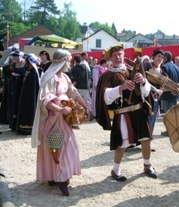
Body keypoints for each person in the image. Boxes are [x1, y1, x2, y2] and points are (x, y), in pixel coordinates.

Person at [95, 43, 158, 181]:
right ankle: (115, 170)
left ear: (124, 55)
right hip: (122, 113)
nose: (118, 57)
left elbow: (145, 92)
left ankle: (148, 166)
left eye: (120, 54)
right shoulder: (107, 76)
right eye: (115, 55)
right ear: (110, 58)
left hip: (138, 111)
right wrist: (121, 88)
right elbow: (106, 97)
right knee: (122, 143)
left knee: (146, 140)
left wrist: (143, 82)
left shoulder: (132, 71)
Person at [31, 49, 89, 196]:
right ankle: (58, 178)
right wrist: (59, 109)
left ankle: (57, 176)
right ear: (61, 61)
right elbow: (45, 99)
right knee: (58, 146)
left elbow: (74, 92)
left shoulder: (64, 77)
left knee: (65, 145)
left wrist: (86, 106)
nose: (69, 63)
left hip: (64, 116)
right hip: (54, 118)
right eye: (67, 60)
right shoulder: (50, 78)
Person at [15, 53, 41, 135]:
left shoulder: (33, 72)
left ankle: (29, 127)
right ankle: (22, 127)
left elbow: (33, 87)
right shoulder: (29, 71)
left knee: (29, 110)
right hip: (25, 95)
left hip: (30, 96)